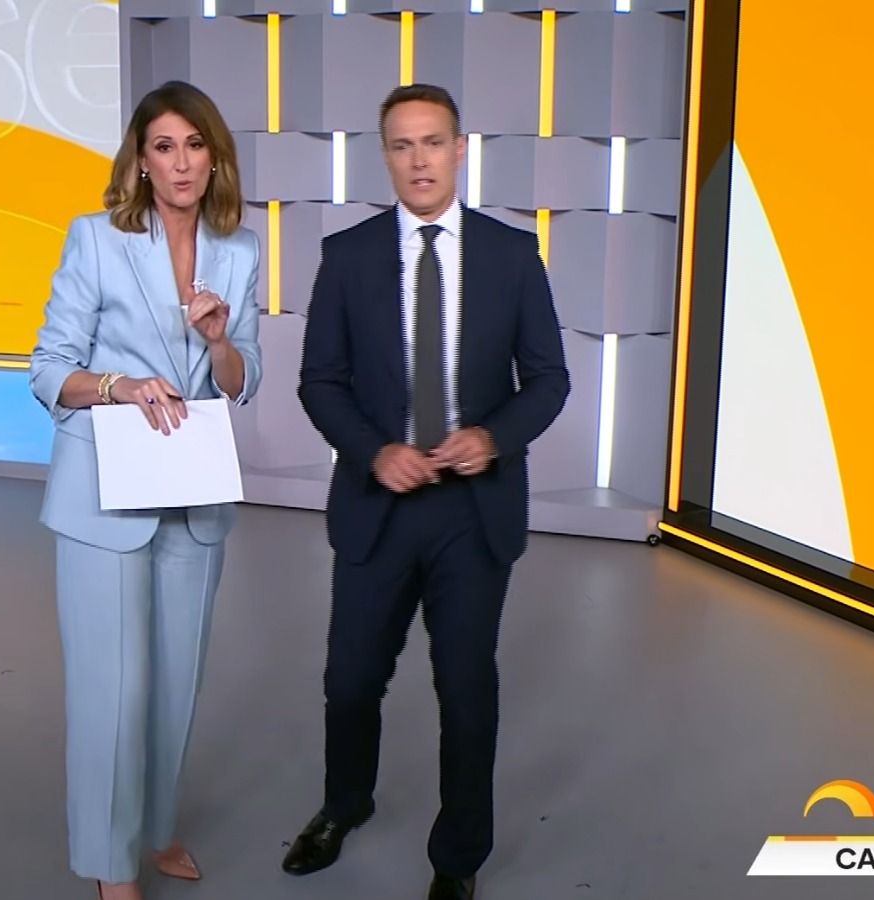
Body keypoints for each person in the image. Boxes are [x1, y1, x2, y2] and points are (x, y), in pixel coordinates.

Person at [284, 83, 570, 900]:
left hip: (471, 512)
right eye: (402, 145)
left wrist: (493, 437)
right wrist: (373, 451)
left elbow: (547, 379)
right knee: (349, 681)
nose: (419, 160)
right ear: (385, 155)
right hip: (377, 505)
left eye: (433, 142)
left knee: (466, 689)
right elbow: (319, 380)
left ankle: (458, 855)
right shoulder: (347, 256)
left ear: (459, 150)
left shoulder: (512, 255)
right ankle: (344, 805)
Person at [28, 80, 261, 900]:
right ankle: (108, 865)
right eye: (164, 146)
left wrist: (219, 340)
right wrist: (119, 386)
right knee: (112, 691)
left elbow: (242, 380)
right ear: (140, 160)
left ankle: (154, 830)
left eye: (194, 145)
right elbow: (47, 370)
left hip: (192, 494)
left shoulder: (240, 249)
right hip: (102, 490)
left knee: (173, 687)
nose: (181, 162)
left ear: (214, 157)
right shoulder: (95, 240)